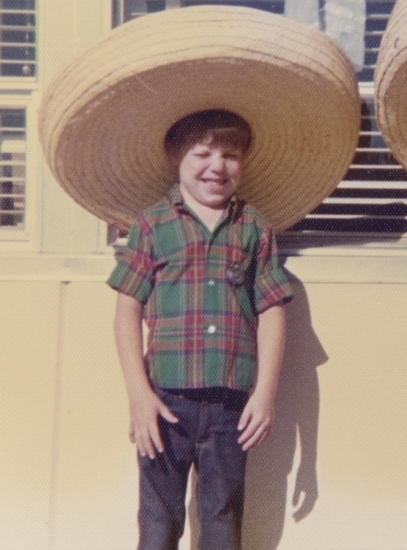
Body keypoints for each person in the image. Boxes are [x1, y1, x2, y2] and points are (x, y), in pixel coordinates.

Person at [108, 109, 294, 550]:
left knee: (223, 518)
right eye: (202, 153)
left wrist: (264, 395)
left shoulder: (255, 228)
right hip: (164, 402)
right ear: (175, 155)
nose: (217, 166)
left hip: (232, 404)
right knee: (158, 520)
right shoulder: (152, 225)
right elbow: (126, 310)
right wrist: (138, 393)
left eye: (231, 155)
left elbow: (272, 310)